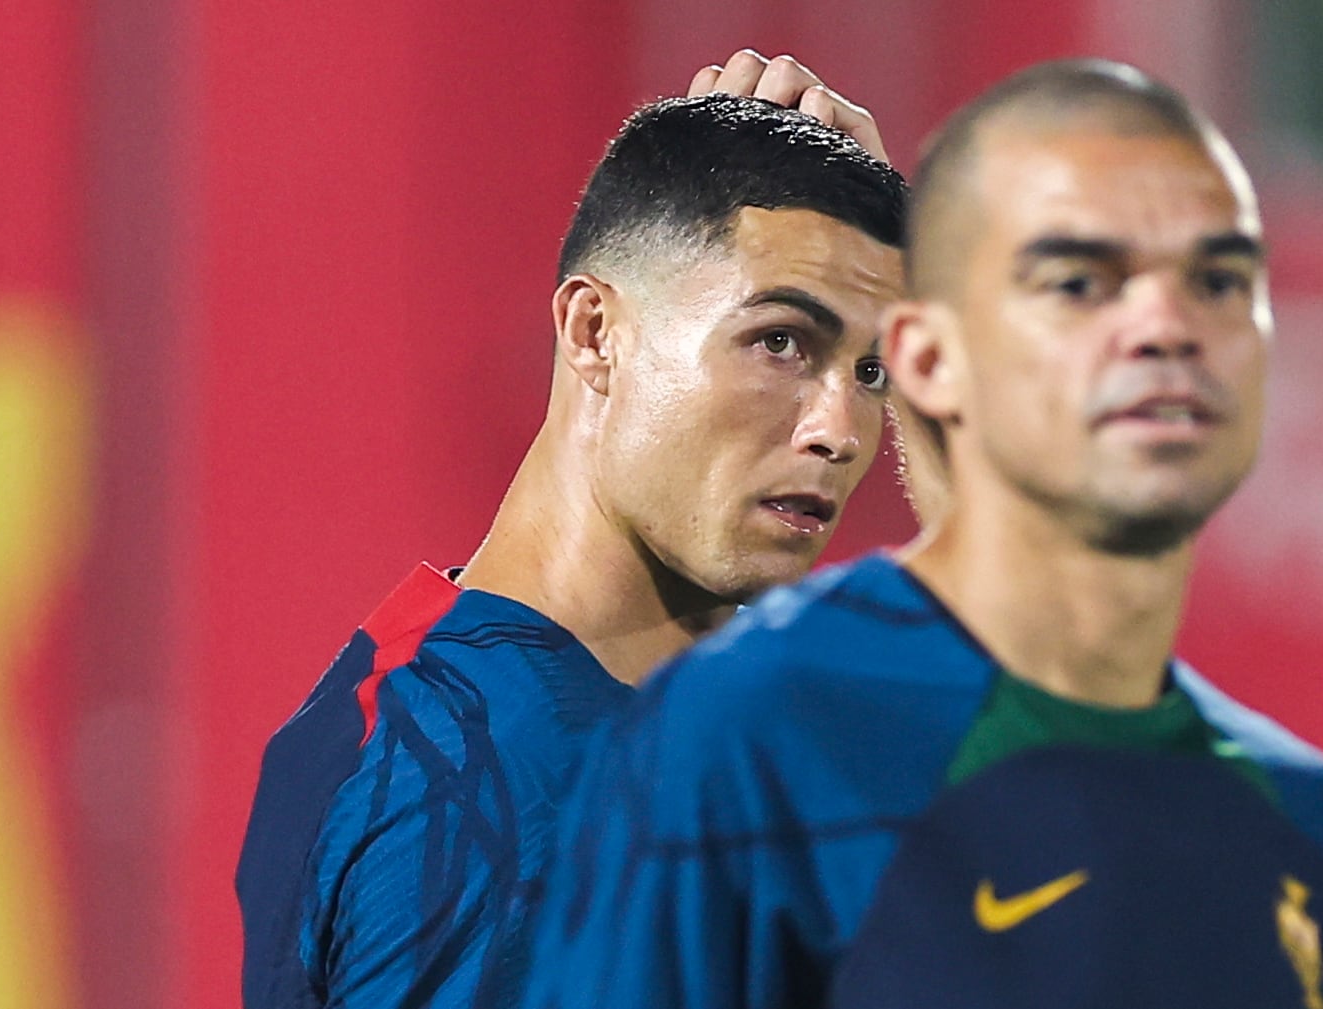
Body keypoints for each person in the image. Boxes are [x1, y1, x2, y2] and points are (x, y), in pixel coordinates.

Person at [523, 58, 1323, 1009]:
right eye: (1080, 281)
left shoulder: (1307, 818)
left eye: (1217, 278)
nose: (1163, 327)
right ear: (937, 358)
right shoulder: (735, 737)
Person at [235, 51, 909, 1009]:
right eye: (779, 342)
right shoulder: (509, 795)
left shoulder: (493, 697)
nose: (839, 432)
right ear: (594, 333)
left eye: (872, 372)